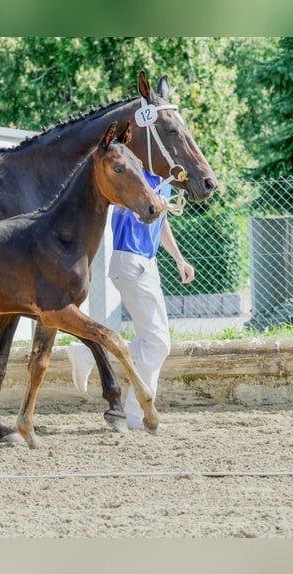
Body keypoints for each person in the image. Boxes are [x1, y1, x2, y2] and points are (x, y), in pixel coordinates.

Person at [66, 168, 195, 431]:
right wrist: (151, 206)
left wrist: (179, 258)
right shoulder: (135, 174)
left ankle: (91, 352)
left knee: (155, 343)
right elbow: (131, 209)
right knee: (158, 344)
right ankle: (136, 414)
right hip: (130, 260)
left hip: (148, 263)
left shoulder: (162, 181)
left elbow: (161, 222)